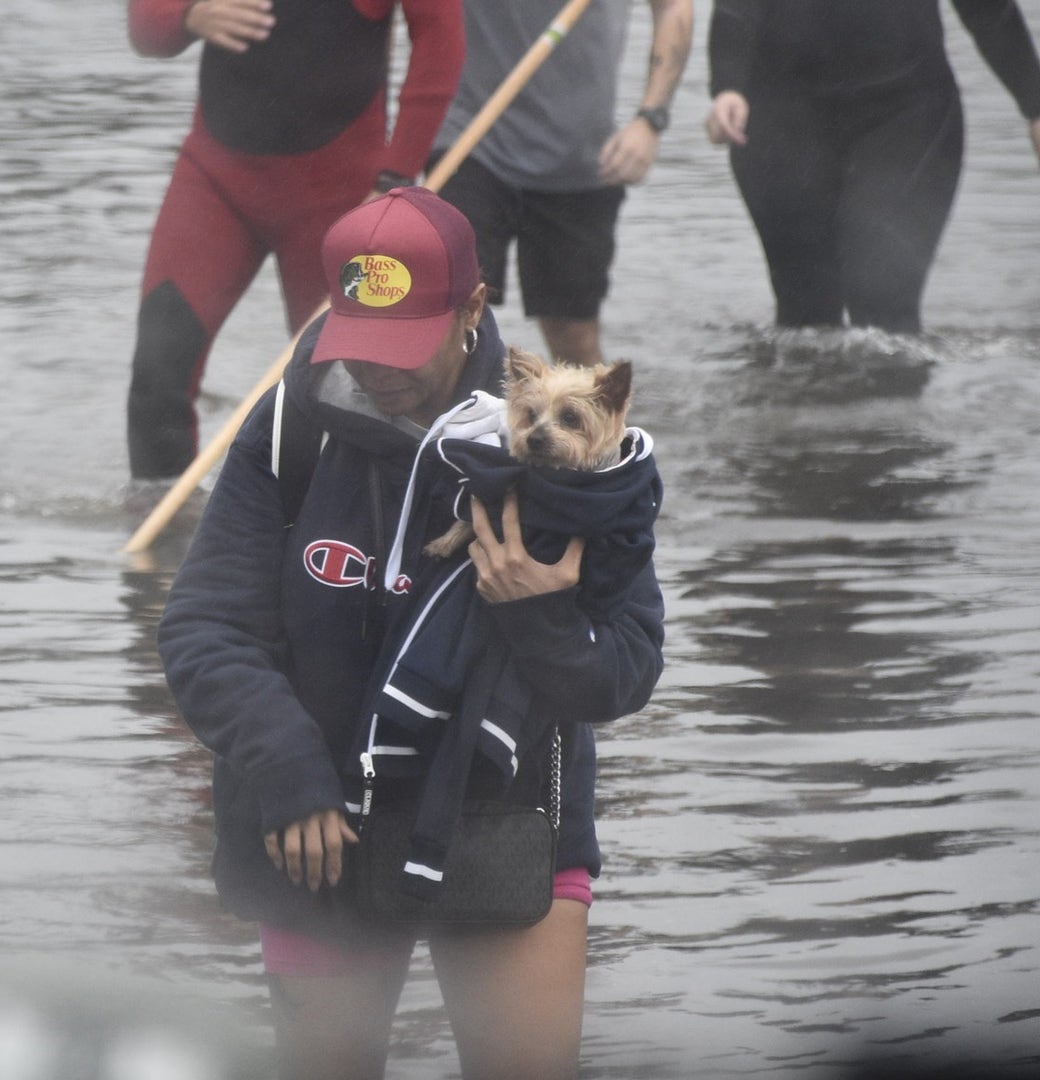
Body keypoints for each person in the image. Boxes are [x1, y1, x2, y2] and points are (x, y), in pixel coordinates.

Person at [158, 188, 664, 1079]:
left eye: (402, 345)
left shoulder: (569, 451)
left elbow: (623, 674)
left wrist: (537, 611)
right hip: (322, 831)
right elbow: (206, 629)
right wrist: (288, 772)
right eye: (359, 340)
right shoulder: (287, 430)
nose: (376, 371)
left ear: (472, 309)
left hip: (506, 824)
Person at [124, 0, 465, 482]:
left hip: (340, 197)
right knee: (158, 373)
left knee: (347, 388)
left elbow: (440, 42)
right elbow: (145, 30)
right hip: (215, 181)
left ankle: (334, 532)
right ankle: (165, 543)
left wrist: (396, 176)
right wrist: (187, 16)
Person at [703, 0, 1040, 334]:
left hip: (907, 112)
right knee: (805, 316)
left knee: (884, 302)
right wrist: (727, 86)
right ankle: (802, 387)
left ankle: (890, 384)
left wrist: (1034, 102)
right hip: (782, 116)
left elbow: (987, 8)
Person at [426, 0, 693, 368]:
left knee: (574, 338)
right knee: (449, 324)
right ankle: (446, 424)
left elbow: (673, 7)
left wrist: (650, 119)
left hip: (578, 159)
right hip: (470, 143)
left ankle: (594, 426)